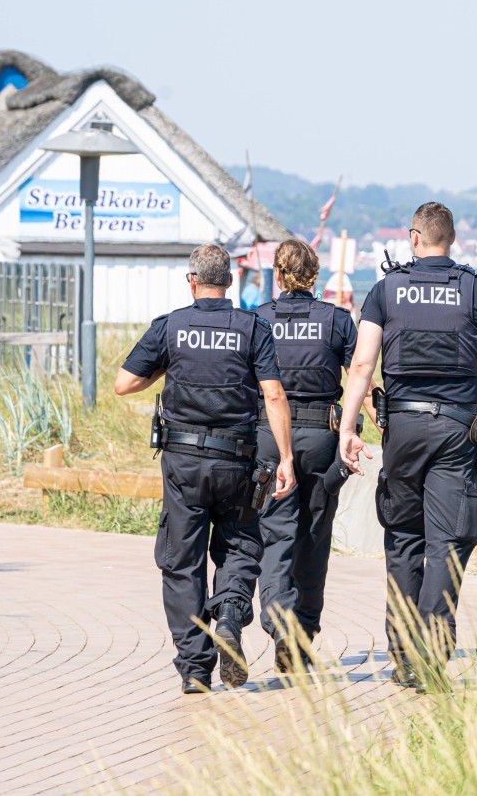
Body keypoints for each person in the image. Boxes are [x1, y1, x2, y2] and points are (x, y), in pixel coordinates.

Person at [339, 202, 477, 690]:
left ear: (413, 238)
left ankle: (401, 655)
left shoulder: (386, 291)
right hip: (455, 432)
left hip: (402, 431)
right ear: (452, 239)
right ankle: (432, 653)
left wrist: (348, 429)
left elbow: (361, 366)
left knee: (403, 539)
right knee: (448, 542)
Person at [115, 244, 296, 695]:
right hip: (237, 461)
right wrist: (287, 459)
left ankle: (196, 669)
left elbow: (124, 384)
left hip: (183, 465)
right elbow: (273, 395)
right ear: (230, 282)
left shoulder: (171, 326)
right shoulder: (253, 328)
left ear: (191, 280)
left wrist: (167, 367)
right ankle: (230, 616)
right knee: (238, 546)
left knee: (182, 562)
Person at [253, 239, 360, 672]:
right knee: (314, 537)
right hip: (321, 438)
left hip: (267, 436)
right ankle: (302, 631)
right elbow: (359, 377)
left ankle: (280, 621)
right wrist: (369, 426)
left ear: (278, 275)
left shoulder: (258, 319)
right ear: (315, 276)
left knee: (276, 533)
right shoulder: (337, 321)